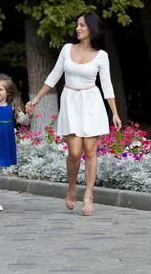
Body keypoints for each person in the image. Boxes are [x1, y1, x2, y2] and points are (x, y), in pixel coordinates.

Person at [27, 12, 122, 216]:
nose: (78, 29)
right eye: (77, 25)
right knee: (74, 153)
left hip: (92, 102)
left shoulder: (102, 56)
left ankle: (88, 194)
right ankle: (72, 188)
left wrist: (114, 112)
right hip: (70, 101)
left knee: (90, 151)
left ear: (92, 29)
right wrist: (36, 100)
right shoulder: (67, 49)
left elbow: (107, 85)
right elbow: (54, 76)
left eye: (82, 26)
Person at [0, 73, 33, 213]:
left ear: (8, 92)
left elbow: (24, 121)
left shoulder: (13, 107)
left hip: (5, 141)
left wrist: (30, 114)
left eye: (0, 89)